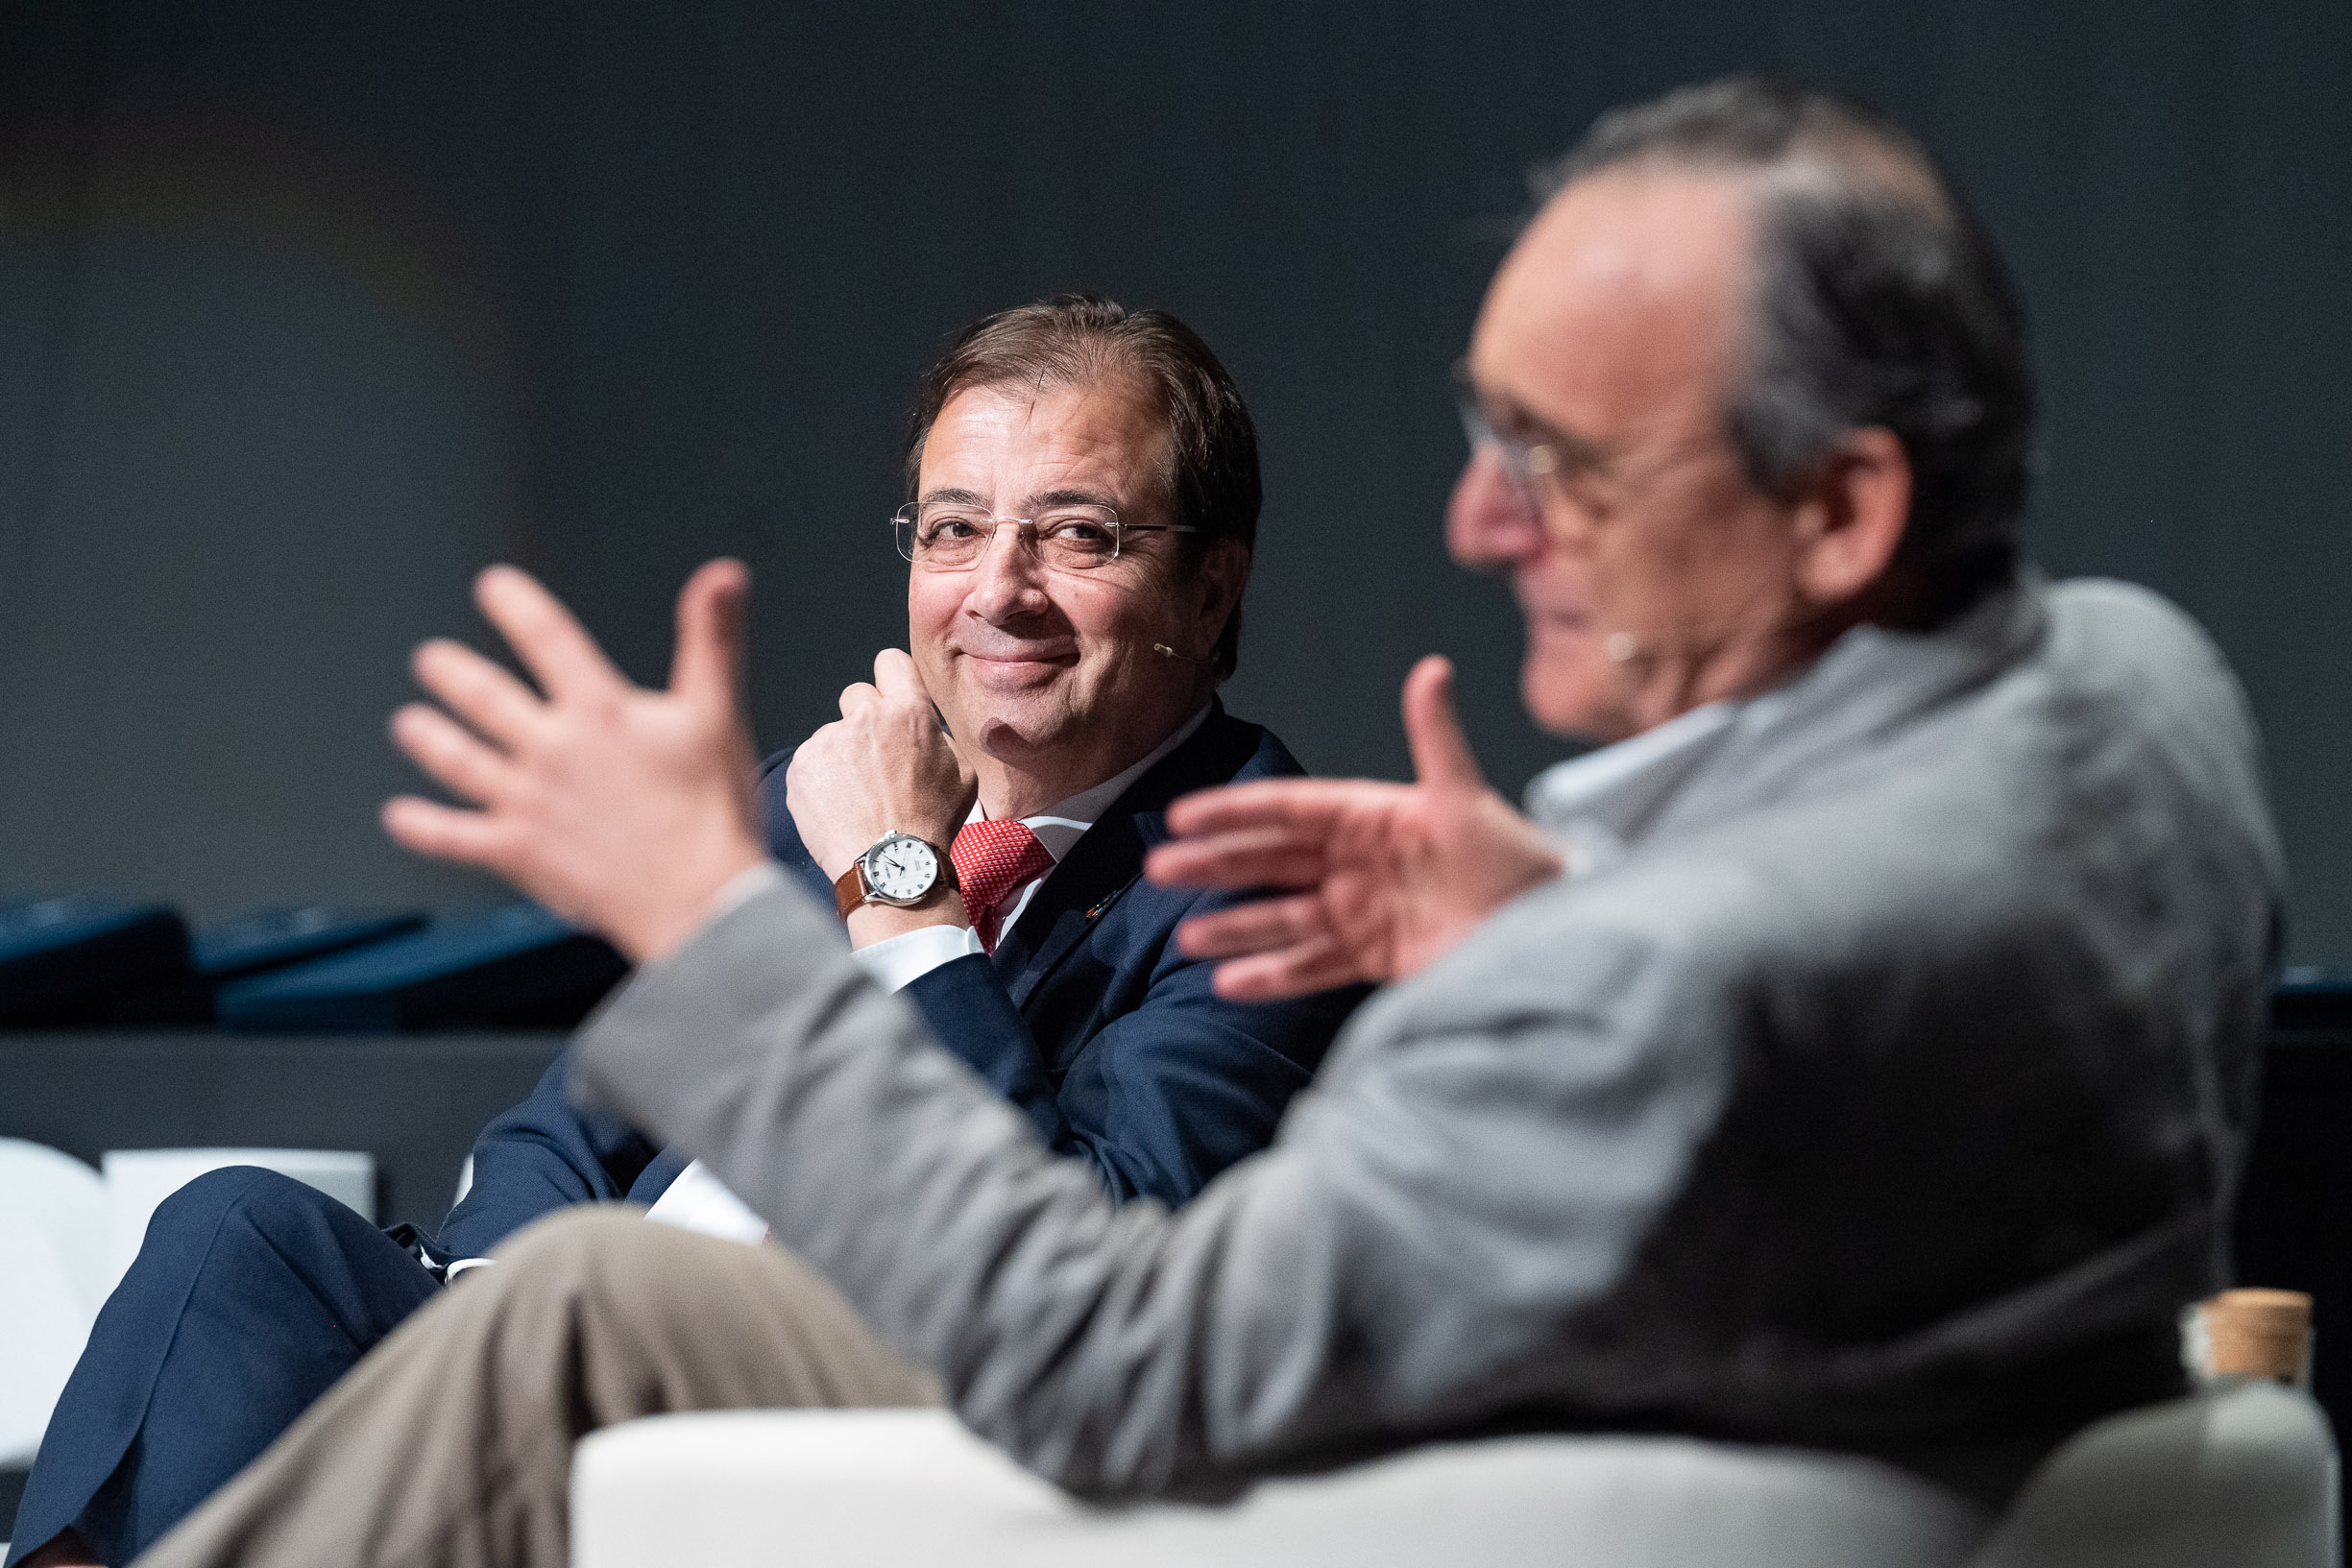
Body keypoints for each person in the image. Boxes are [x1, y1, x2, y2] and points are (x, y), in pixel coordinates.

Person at [127, 78, 2281, 1568]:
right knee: (359, 1249)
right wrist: (1567, 907)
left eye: (1558, 464)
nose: (1472, 519)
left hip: (1262, 1456)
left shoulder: (1628, 982)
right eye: (1483, 435)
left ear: (1842, 508)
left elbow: (1107, 1356)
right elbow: (1788, 992)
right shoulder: (2132, 682)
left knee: (581, 1292)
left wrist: (735, 903)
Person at [6, 297, 1364, 1568]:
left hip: (858, 1394)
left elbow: (1085, 1253)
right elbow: (573, 1126)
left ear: (1207, 588)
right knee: (239, 1231)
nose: (995, 590)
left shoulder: (1261, 875)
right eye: (952, 530)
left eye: (1076, 534)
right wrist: (482, 1309)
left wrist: (900, 883)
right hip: (569, 1332)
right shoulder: (807, 794)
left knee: (586, 1289)